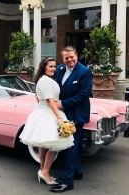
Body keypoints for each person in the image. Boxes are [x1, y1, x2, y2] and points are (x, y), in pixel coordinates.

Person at [19, 57, 74, 185]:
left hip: (47, 111)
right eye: (50, 66)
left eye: (55, 66)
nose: (54, 69)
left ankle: (43, 170)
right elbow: (50, 101)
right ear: (44, 67)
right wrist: (59, 117)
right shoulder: (44, 81)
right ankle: (45, 172)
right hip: (48, 113)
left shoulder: (48, 79)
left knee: (45, 143)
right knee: (54, 143)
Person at [50, 46, 93, 193]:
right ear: (63, 59)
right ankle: (76, 172)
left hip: (77, 114)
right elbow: (53, 86)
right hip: (63, 113)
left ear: (77, 55)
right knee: (72, 145)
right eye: (66, 58)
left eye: (71, 57)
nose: (69, 60)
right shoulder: (60, 69)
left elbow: (83, 95)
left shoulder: (85, 72)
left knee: (69, 146)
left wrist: (62, 103)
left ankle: (67, 181)